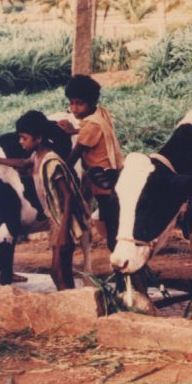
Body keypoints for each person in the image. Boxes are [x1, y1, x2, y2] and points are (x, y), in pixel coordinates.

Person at [0, 111, 89, 290]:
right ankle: (68, 300)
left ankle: (70, 302)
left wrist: (63, 231)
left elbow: (68, 196)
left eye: (23, 138)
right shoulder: (37, 156)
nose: (20, 142)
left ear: (38, 138)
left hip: (63, 221)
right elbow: (23, 163)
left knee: (60, 271)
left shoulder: (51, 162)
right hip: (55, 220)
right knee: (57, 271)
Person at [56, 75, 125, 256]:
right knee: (112, 224)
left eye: (79, 103)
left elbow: (75, 155)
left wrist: (57, 171)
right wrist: (74, 130)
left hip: (104, 184)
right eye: (71, 103)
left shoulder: (90, 126)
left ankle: (124, 274)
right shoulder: (101, 113)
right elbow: (95, 128)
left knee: (113, 234)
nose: (73, 109)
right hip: (116, 177)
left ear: (91, 102)